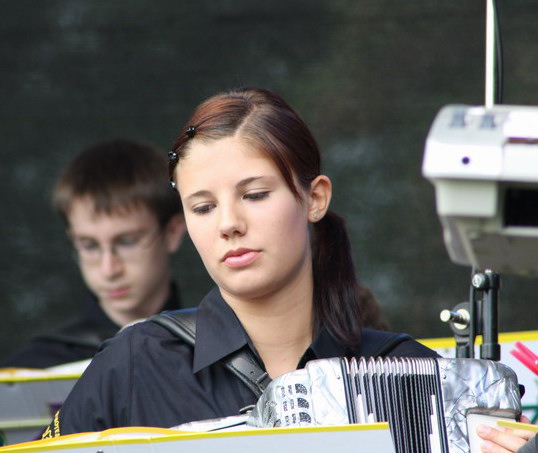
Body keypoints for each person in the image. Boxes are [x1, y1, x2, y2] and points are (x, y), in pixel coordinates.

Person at [42, 87, 438, 437]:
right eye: (203, 207)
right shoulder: (134, 363)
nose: (229, 224)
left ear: (315, 198)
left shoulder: (411, 372)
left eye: (255, 195)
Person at [1, 139, 186, 369]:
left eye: (127, 242)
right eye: (89, 246)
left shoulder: (217, 351)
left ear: (172, 232)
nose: (108, 270)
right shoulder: (32, 370)